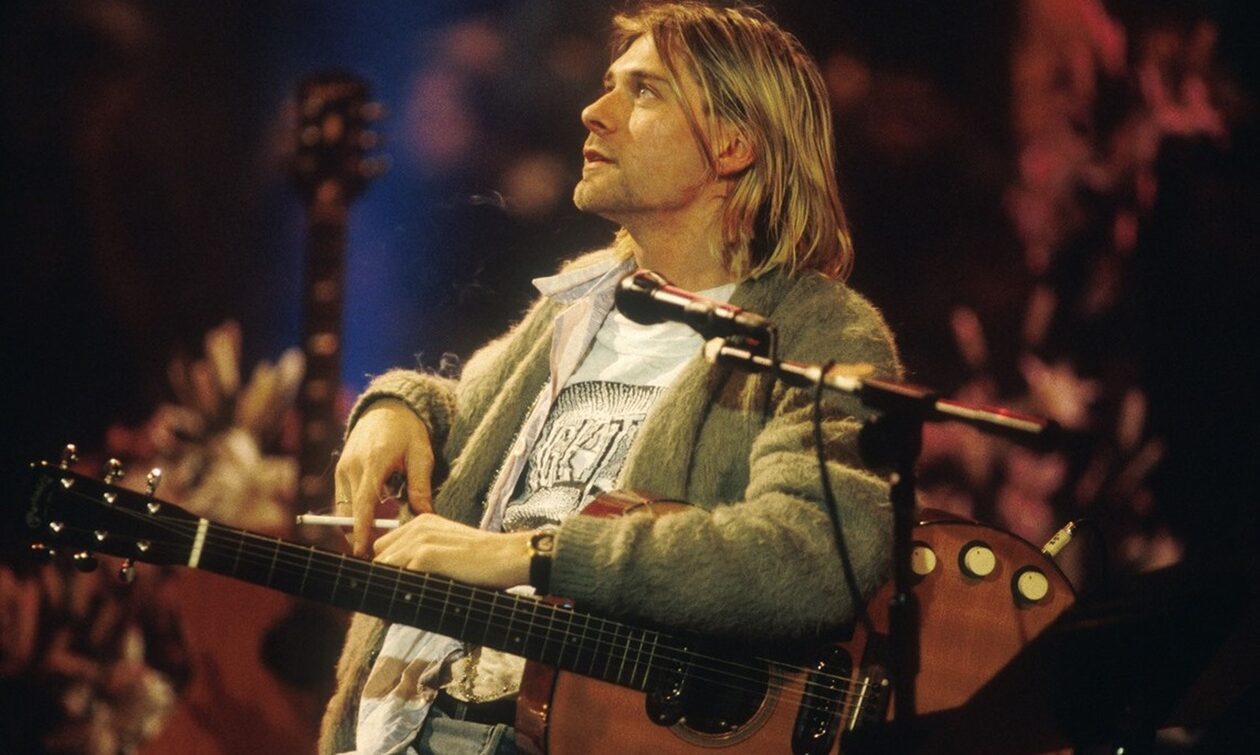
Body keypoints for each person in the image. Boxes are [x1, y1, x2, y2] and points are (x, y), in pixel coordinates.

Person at [319, 3, 902, 753]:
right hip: (402, 722)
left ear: (733, 144)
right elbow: (472, 418)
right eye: (608, 85)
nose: (594, 113)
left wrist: (536, 554)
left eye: (645, 91)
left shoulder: (817, 331)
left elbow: (813, 553)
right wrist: (398, 407)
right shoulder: (585, 295)